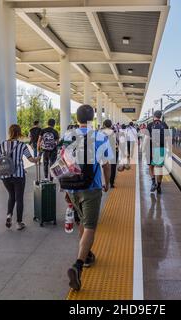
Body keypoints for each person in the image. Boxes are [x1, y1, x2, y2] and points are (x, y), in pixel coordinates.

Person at [66, 105, 112, 292]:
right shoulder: (100, 137)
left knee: (83, 222)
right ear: (92, 118)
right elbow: (107, 164)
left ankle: (87, 255)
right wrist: (107, 182)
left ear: (76, 118)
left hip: (71, 188)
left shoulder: (67, 136)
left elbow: (62, 162)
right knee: (90, 227)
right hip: (91, 188)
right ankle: (77, 266)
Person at [0, 124, 40, 230]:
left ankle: (8, 215)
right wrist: (38, 158)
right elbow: (31, 159)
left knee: (11, 196)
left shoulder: (2, 144)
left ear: (9, 132)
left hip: (5, 175)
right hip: (19, 175)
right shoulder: (22, 145)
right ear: (19, 133)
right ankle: (19, 222)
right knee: (19, 198)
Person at [147, 110, 169, 194]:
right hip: (161, 149)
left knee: (151, 167)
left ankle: (153, 182)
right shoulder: (165, 125)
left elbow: (146, 139)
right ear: (161, 116)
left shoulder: (149, 125)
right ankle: (159, 186)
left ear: (154, 116)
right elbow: (167, 139)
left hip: (151, 148)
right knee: (159, 168)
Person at [101, 119, 118, 188]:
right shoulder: (113, 132)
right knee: (113, 167)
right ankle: (111, 182)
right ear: (111, 125)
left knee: (104, 166)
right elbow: (115, 142)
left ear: (104, 125)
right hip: (112, 151)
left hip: (104, 151)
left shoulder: (101, 132)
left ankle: (105, 181)